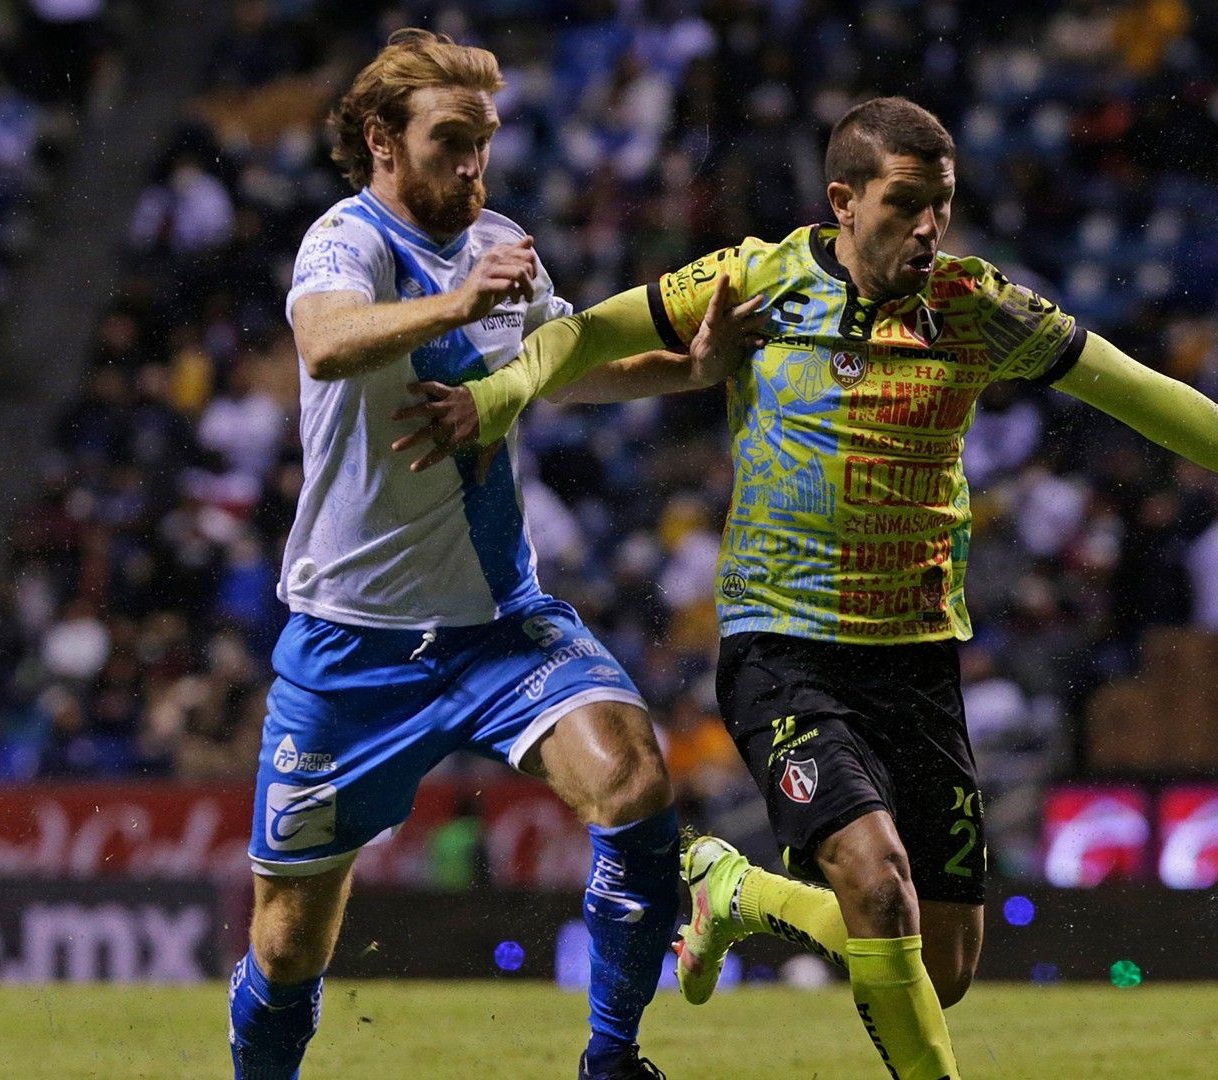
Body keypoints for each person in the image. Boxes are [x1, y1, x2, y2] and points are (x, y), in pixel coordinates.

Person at [396, 97, 1218, 1079]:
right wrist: (496, 396)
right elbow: (584, 338)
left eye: (940, 206)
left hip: (915, 661)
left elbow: (1143, 393)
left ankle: (737, 895)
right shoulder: (762, 280)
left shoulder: (974, 307)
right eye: (904, 204)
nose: (926, 227)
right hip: (784, 651)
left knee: (936, 964)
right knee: (879, 885)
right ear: (843, 202)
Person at [227, 30, 762, 1080]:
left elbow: (560, 369)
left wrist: (688, 370)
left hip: (500, 627)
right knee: (289, 944)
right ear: (383, 140)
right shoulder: (346, 241)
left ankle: (612, 1060)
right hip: (351, 650)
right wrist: (460, 304)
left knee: (636, 782)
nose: (473, 166)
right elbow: (327, 343)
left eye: (484, 143)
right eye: (450, 141)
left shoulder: (503, 240)